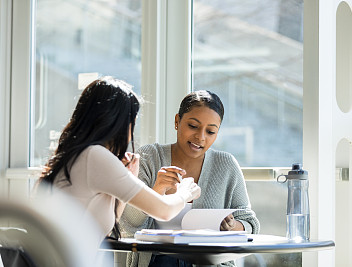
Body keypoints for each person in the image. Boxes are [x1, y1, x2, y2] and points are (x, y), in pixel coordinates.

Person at [35, 77, 201, 255]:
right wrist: (185, 192)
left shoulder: (73, 155)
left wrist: (127, 176)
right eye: (132, 123)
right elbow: (164, 211)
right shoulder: (95, 156)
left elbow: (105, 229)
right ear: (119, 123)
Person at [120, 90, 260, 267]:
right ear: (177, 121)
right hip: (156, 262)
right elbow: (127, 225)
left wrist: (232, 226)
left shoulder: (226, 164)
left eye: (210, 131)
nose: (200, 137)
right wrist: (155, 192)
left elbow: (250, 223)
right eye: (193, 126)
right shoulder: (149, 157)